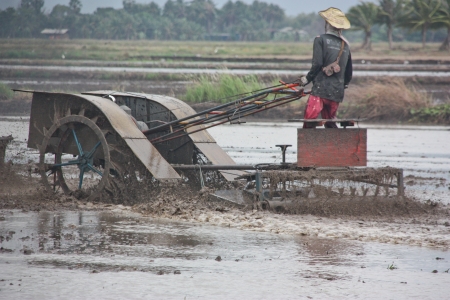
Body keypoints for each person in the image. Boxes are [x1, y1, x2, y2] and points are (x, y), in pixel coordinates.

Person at [299, 7, 353, 128]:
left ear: (327, 23)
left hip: (320, 90)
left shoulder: (320, 40)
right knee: (330, 121)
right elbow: (348, 73)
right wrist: (342, 85)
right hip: (337, 91)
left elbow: (317, 64)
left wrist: (307, 79)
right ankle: (335, 145)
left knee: (310, 119)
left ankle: (307, 145)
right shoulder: (346, 45)